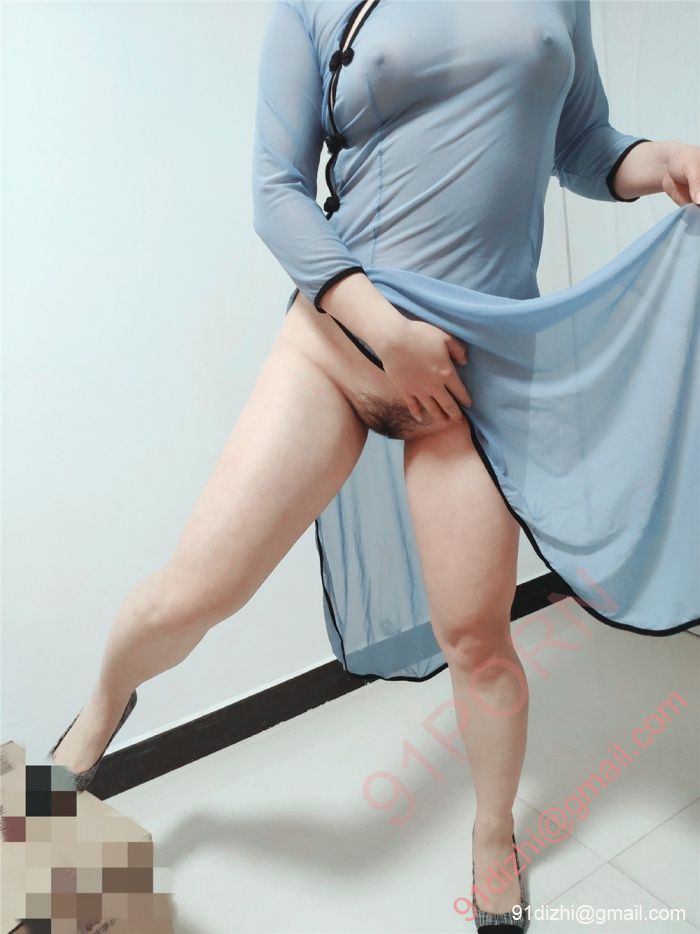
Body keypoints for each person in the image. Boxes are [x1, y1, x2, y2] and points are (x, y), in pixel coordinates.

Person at [48, 1, 700, 931]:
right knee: (195, 592)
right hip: (343, 345)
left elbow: (583, 143)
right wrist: (390, 336)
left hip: (477, 364)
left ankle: (492, 837)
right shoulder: (315, 6)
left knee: (478, 638)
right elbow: (276, 190)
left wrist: (662, 159)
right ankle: (100, 712)